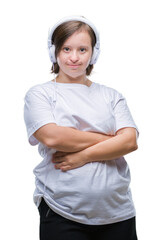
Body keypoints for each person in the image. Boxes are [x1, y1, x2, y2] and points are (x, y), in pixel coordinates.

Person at [24, 15, 139, 240]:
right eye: (66, 49)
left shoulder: (111, 96)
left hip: (118, 213)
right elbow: (53, 137)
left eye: (82, 50)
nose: (74, 58)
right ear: (54, 51)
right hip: (62, 211)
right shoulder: (40, 94)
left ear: (93, 53)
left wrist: (82, 156)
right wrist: (111, 139)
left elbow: (130, 142)